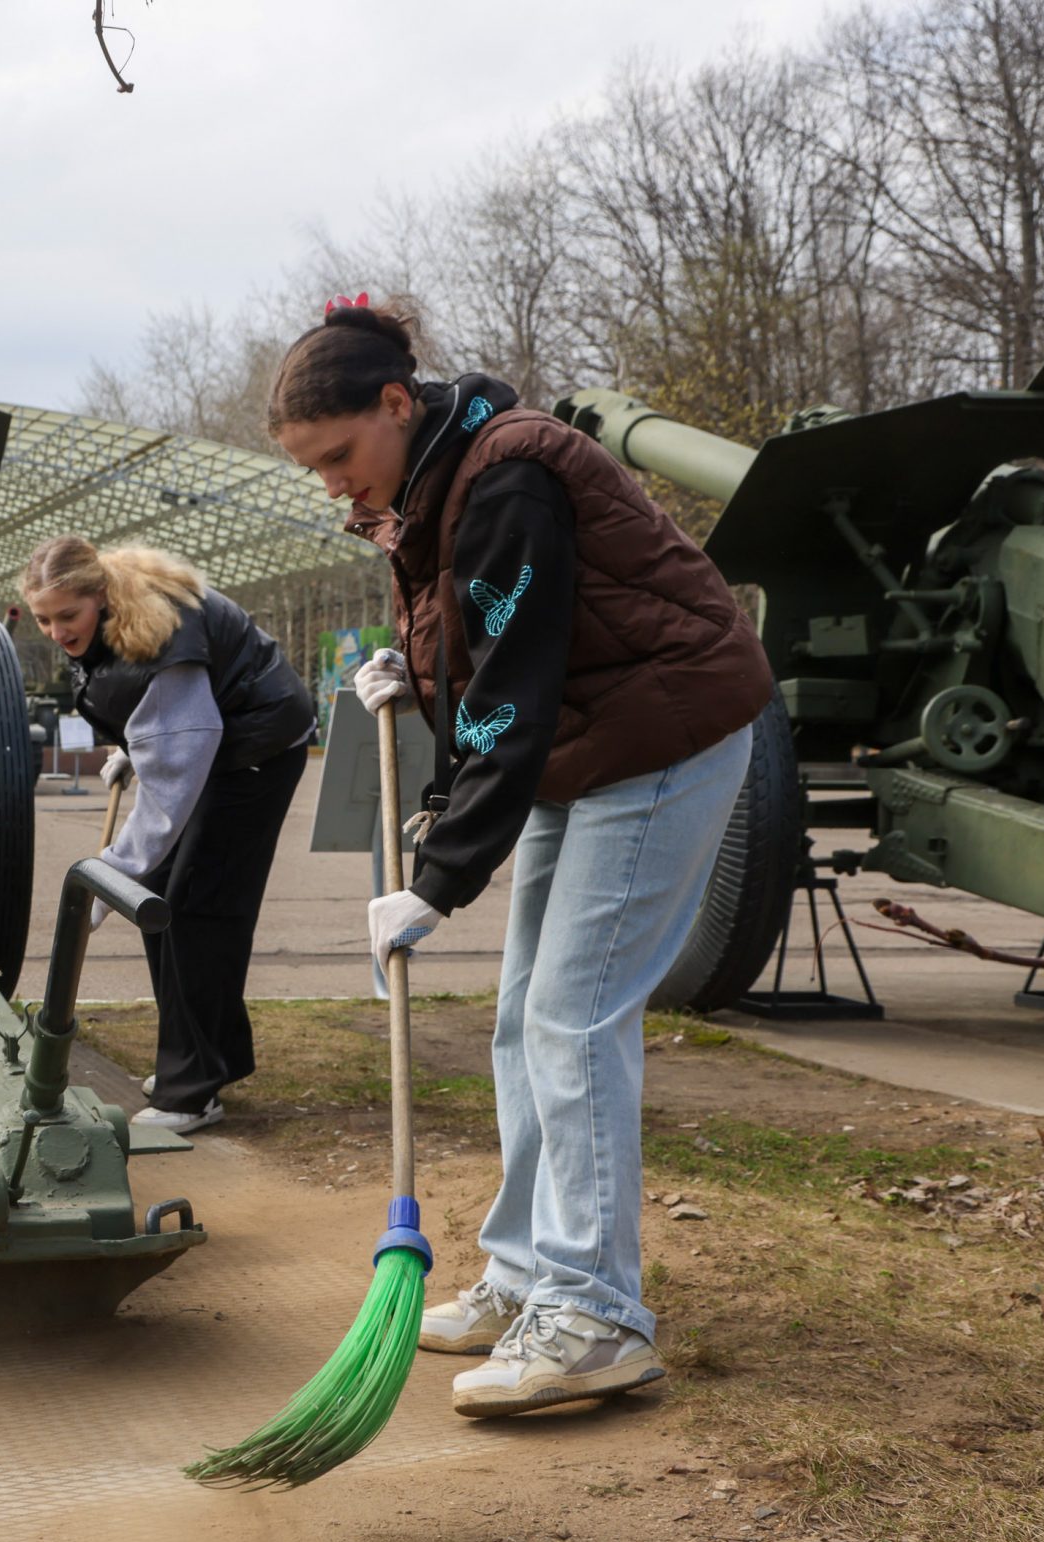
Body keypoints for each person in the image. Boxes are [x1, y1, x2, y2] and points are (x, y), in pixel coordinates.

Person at [268, 296, 773, 1417]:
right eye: (314, 468)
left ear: (396, 404)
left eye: (340, 455)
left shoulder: (504, 475)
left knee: (575, 1018)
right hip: (585, 745)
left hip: (659, 735)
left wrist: (435, 879)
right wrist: (422, 680)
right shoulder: (433, 480)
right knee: (523, 1017)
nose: (332, 483)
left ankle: (594, 1317)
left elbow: (516, 682)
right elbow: (488, 648)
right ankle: (529, 1274)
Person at [21, 537, 317, 1134]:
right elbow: (163, 720)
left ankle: (192, 1093)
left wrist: (111, 873)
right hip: (217, 739)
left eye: (67, 616)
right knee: (158, 899)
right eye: (42, 619)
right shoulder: (112, 612)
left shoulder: (158, 630)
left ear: (100, 595)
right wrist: (138, 747)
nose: (56, 631)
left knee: (197, 910)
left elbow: (183, 753)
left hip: (255, 747)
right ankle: (211, 1057)